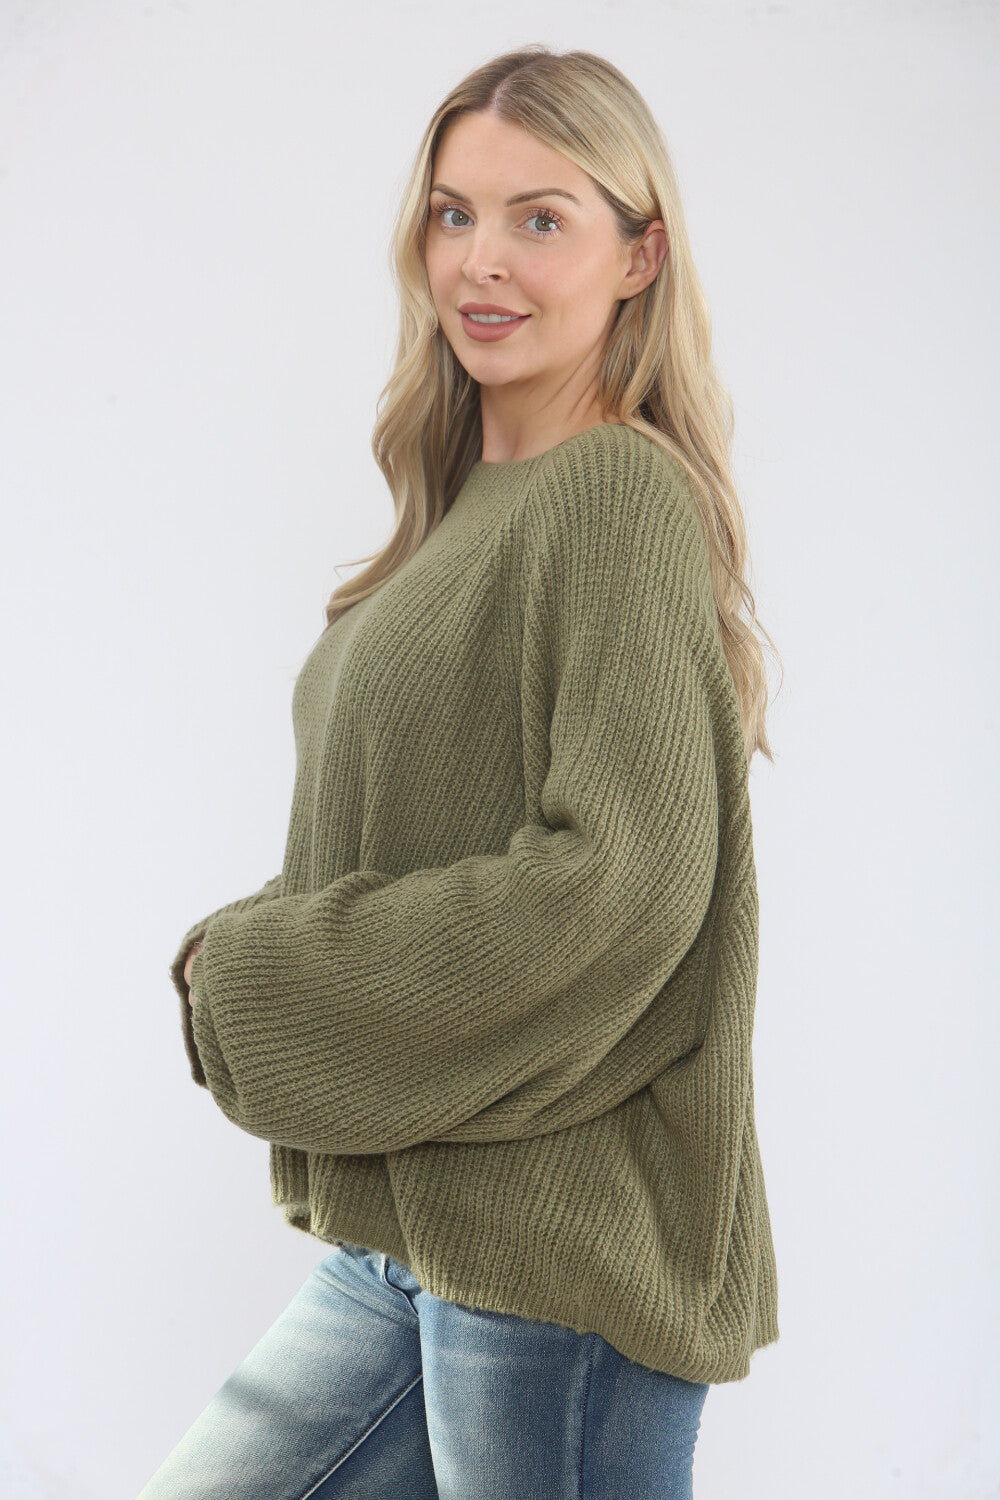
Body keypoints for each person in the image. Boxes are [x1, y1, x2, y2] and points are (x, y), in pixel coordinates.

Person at [140, 42, 782, 1500]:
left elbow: (620, 886)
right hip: (409, 1239)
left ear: (639, 257)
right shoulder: (462, 513)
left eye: (540, 219)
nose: (481, 261)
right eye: (453, 214)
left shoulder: (615, 492)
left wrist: (258, 978)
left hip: (554, 1247)